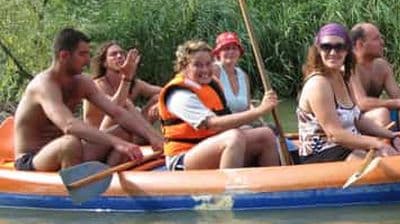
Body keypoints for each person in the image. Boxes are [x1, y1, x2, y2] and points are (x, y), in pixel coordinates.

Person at [13, 28, 164, 172]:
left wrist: (152, 137)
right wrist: (118, 143)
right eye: (82, 54)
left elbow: (117, 112)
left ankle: (108, 182)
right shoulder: (44, 84)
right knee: (69, 143)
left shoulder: (82, 82)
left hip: (71, 151)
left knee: (125, 129)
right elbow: (68, 125)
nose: (88, 60)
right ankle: (75, 191)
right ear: (64, 56)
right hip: (33, 158)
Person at [157, 40, 280, 171]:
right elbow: (214, 124)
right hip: (183, 156)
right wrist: (259, 111)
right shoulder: (178, 94)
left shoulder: (212, 85)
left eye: (208, 64)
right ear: (184, 66)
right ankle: (227, 190)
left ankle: (271, 188)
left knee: (265, 134)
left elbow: (226, 120)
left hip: (211, 145)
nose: (205, 70)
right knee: (233, 137)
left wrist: (251, 126)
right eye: (197, 65)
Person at [296, 22, 400, 163]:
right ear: (318, 50)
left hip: (347, 147)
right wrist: (377, 143)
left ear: (347, 50)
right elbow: (334, 134)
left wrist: (392, 136)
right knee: (382, 162)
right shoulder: (318, 83)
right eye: (326, 47)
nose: (333, 53)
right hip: (323, 153)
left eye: (339, 47)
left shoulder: (344, 78)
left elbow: (358, 119)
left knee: (391, 157)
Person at [349, 22, 400, 130]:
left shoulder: (382, 66)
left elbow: (398, 97)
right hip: (353, 120)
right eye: (376, 39)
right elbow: (362, 104)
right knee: (382, 114)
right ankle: (385, 145)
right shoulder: (349, 67)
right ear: (360, 44)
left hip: (379, 116)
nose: (382, 42)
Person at [84, 41, 162, 138]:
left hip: (128, 134)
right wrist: (127, 77)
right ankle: (156, 138)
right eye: (114, 54)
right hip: (101, 139)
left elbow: (165, 90)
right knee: (125, 103)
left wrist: (160, 102)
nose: (119, 56)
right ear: (104, 63)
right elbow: (117, 106)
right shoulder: (95, 85)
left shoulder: (135, 84)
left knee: (159, 98)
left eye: (122, 53)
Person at [211, 32, 251, 113]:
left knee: (270, 126)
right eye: (227, 48)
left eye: (234, 48)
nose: (231, 52)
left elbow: (248, 107)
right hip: (222, 122)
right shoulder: (214, 70)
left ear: (239, 52)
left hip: (243, 122)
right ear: (218, 53)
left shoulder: (243, 75)